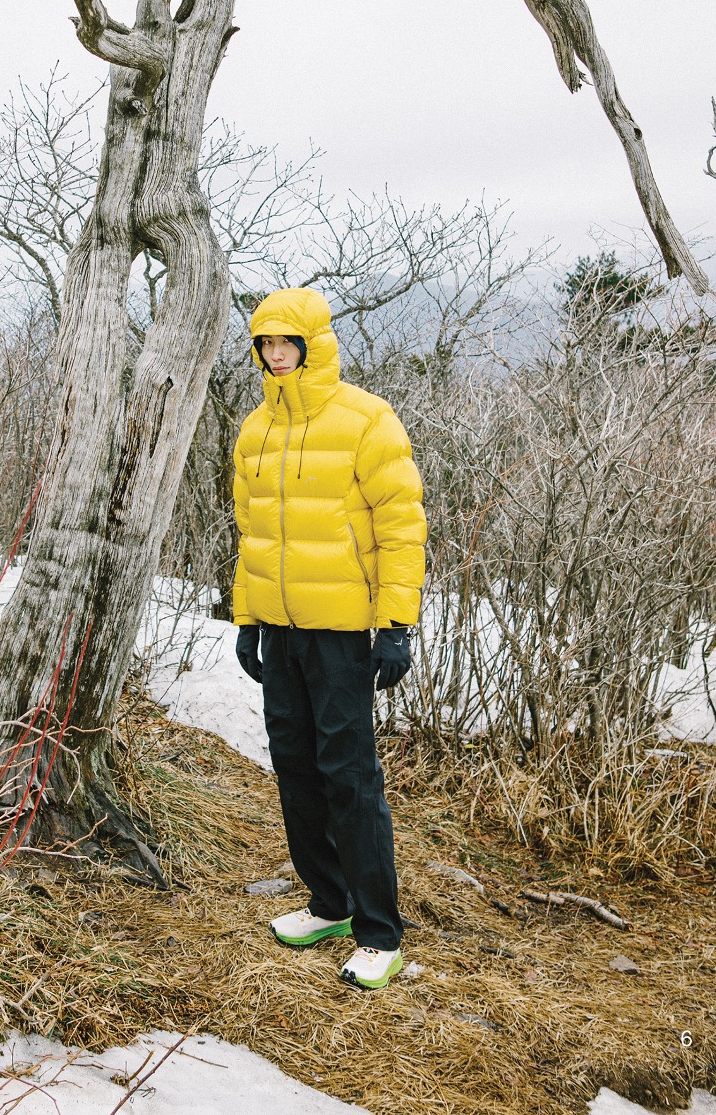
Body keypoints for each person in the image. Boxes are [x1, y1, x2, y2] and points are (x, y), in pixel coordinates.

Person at [231, 286, 426, 991]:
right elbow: (252, 534)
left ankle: (379, 932)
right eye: (265, 343)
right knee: (294, 769)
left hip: (342, 634)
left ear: (314, 344)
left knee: (350, 777)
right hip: (279, 632)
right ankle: (329, 902)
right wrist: (247, 619)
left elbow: (402, 527)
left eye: (288, 342)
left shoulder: (366, 419)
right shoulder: (254, 430)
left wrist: (397, 624)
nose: (276, 354)